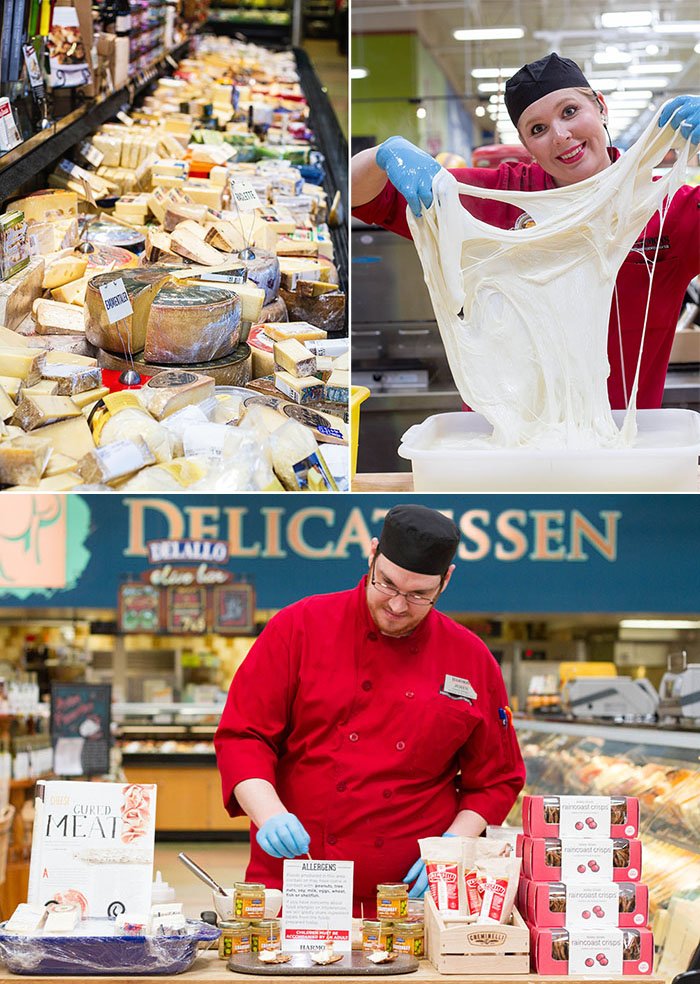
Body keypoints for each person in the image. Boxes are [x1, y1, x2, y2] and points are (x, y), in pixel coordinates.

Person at [214, 504, 525, 915]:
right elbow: (244, 735)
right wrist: (269, 814)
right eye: (388, 585)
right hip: (296, 883)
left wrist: (453, 847)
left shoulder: (472, 658)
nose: (398, 605)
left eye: (418, 595)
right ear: (372, 554)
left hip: (414, 897)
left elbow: (497, 779)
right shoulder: (299, 626)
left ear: (445, 581)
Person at [351, 53, 700, 410]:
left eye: (569, 111)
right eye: (538, 129)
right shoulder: (500, 196)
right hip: (508, 437)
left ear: (600, 108)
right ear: (526, 145)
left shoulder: (665, 207)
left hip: (621, 438)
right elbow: (360, 195)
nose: (561, 136)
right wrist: (382, 154)